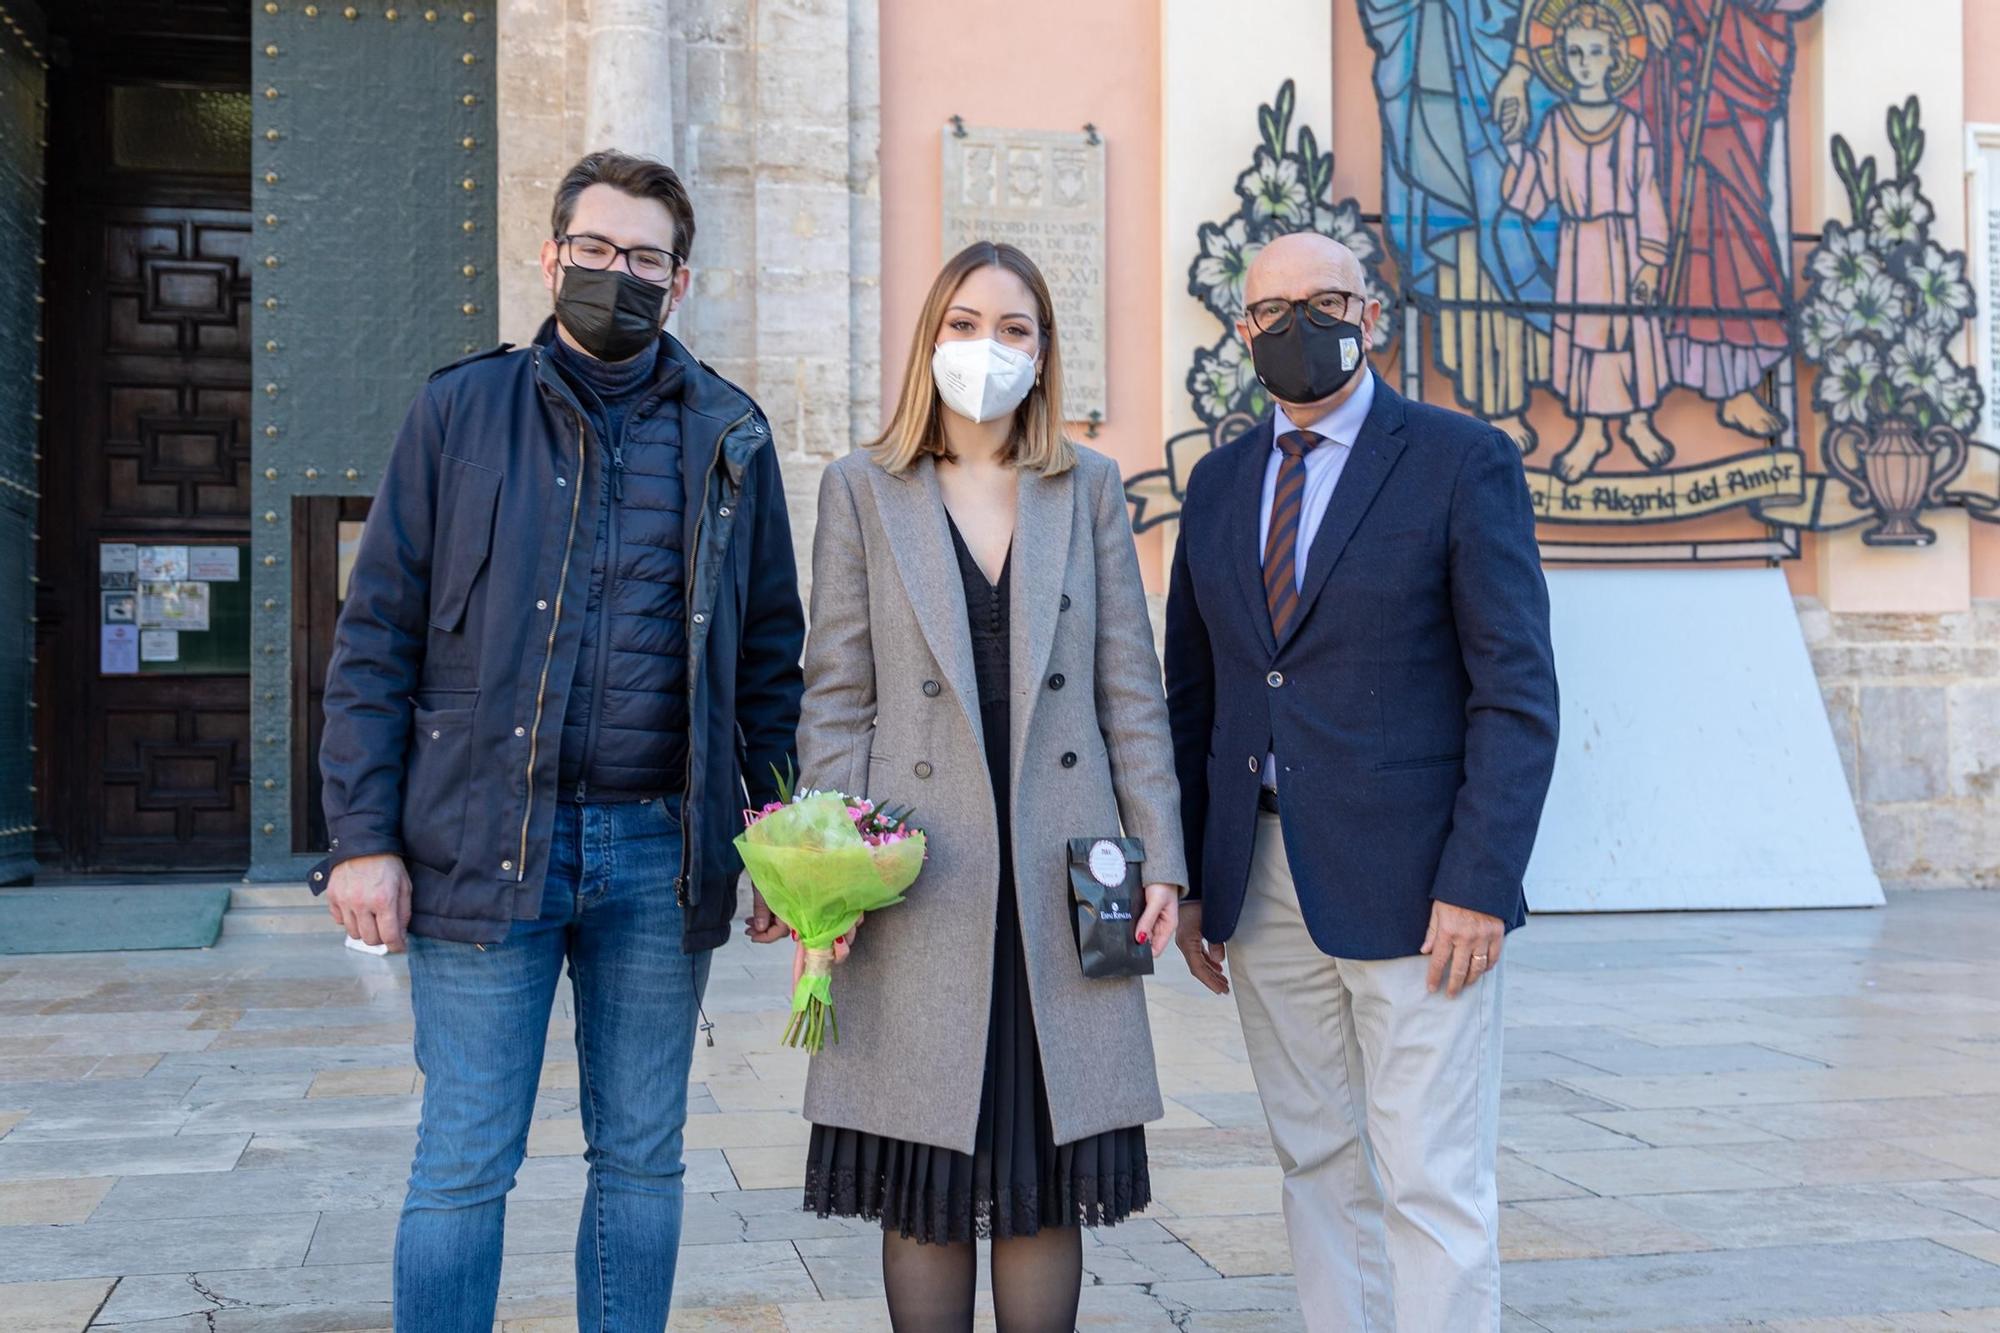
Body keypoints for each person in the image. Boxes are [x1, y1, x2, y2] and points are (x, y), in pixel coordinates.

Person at [312, 150, 806, 1332]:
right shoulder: (458, 412)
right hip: (482, 843)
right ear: (551, 256)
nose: (617, 275)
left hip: (656, 853)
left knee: (641, 1157)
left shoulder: (733, 433)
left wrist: (779, 840)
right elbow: (374, 637)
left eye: (644, 258)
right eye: (596, 250)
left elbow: (769, 662)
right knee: (464, 1155)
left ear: (678, 283)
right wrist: (360, 838)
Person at [783, 240, 1187, 1331]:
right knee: (925, 1171)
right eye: (964, 323)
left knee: (1042, 1167)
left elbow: (1128, 691)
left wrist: (1162, 858)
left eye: (1014, 329)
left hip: (1061, 876)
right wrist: (823, 878)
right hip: (918, 876)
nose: (986, 348)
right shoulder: (863, 489)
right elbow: (835, 696)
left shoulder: (1087, 486)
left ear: (1045, 353)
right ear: (929, 340)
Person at [1165, 232, 1559, 1332]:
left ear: (1371, 316)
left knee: (1430, 1175)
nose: (1296, 327)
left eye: (1323, 301)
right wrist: (1198, 876)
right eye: (1269, 311)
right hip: (1261, 875)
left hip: (1419, 888)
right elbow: (1193, 695)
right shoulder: (1216, 482)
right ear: (1243, 332)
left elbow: (1515, 690)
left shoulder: (1455, 459)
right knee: (1312, 1159)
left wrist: (1480, 878)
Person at [1502, 2, 1677, 481]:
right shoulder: (1557, 124)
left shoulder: (1631, 126)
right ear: (1562, 58)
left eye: (1595, 51)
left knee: (1629, 335)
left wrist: (1649, 264)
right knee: (1587, 337)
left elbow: (1648, 197)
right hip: (1581, 250)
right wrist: (1516, 145)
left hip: (1624, 244)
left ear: (1614, 58)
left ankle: (1639, 422)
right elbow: (1536, 192)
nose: (1584, 61)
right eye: (1575, 52)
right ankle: (1591, 430)